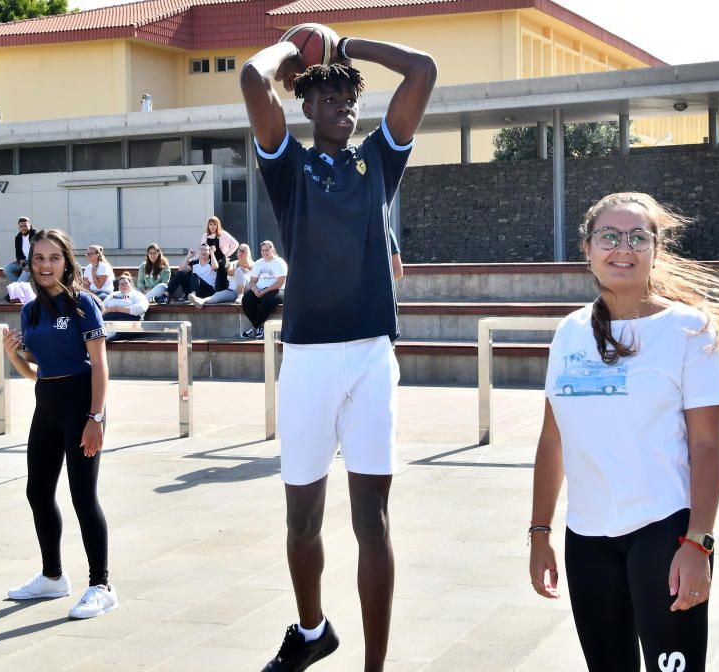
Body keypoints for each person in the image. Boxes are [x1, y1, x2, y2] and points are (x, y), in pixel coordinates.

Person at [241, 25, 435, 671]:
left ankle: (374, 667)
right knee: (302, 519)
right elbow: (250, 78)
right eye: (328, 100)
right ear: (306, 106)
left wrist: (347, 46)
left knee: (372, 519)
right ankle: (312, 629)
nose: (342, 108)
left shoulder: (378, 157)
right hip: (308, 359)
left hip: (371, 353)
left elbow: (423, 69)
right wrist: (297, 55)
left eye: (350, 100)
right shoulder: (288, 163)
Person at [528, 193, 719, 672]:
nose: (624, 248)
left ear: (655, 251)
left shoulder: (689, 329)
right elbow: (552, 441)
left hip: (665, 533)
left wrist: (697, 543)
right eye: (610, 236)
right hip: (587, 538)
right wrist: (540, 533)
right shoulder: (569, 333)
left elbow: (706, 446)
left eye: (638, 237)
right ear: (587, 247)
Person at [2, 228, 118, 620]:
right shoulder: (29, 310)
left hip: (82, 404)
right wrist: (13, 354)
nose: (45, 265)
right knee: (38, 492)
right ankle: (52, 576)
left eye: (53, 258)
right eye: (38, 258)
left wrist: (95, 417)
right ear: (30, 264)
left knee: (84, 497)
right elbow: (36, 371)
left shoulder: (83, 304)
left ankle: (101, 585)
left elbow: (100, 365)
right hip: (46, 403)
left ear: (67, 262)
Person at [240, 240, 287, 338]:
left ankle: (253, 328)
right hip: (260, 290)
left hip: (277, 290)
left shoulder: (279, 262)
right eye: (262, 250)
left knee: (267, 300)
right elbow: (252, 280)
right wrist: (254, 289)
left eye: (267, 250)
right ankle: (259, 328)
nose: (264, 253)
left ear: (272, 250)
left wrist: (265, 291)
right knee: (246, 300)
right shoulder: (258, 263)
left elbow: (280, 282)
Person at [189, 243, 254, 309]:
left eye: (244, 251)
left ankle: (240, 295)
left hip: (248, 290)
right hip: (232, 291)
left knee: (239, 270)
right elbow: (230, 272)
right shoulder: (232, 264)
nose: (241, 253)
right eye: (239, 251)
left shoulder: (254, 264)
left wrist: (244, 268)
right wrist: (240, 268)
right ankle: (202, 301)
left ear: (248, 253)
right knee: (218, 295)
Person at [3, 216, 36, 283]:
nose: (23, 228)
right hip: (24, 261)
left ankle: (16, 290)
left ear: (29, 225)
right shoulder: (18, 238)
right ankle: (21, 287)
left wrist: (30, 264)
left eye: (25, 226)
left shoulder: (35, 235)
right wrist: (20, 260)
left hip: (33, 261)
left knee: (25, 271)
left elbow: (38, 252)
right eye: (21, 226)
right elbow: (18, 253)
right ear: (19, 227)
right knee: (7, 269)